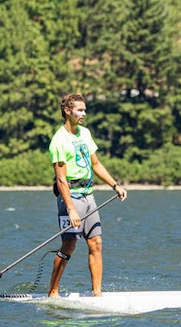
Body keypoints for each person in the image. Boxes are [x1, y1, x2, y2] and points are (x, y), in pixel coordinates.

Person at [47, 93, 127, 297]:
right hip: (70, 197)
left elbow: (96, 164)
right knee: (70, 244)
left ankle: (97, 294)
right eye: (79, 110)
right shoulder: (59, 140)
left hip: (89, 196)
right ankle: (53, 292)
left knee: (96, 243)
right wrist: (71, 210)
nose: (84, 113)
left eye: (84, 110)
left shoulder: (85, 133)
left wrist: (114, 185)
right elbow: (61, 180)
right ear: (67, 111)